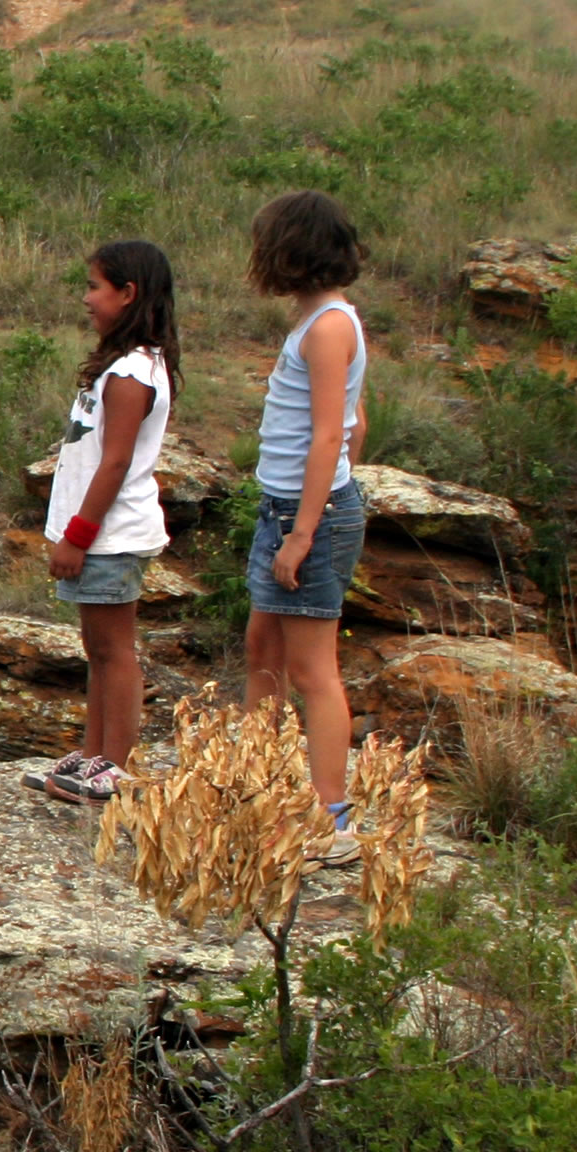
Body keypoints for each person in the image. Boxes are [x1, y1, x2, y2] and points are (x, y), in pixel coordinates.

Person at [240, 189, 370, 857]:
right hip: (285, 506)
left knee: (314, 670)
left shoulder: (327, 327)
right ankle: (260, 784)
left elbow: (329, 437)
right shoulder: (323, 320)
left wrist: (304, 533)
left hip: (303, 515)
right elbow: (357, 422)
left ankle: (331, 819)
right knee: (263, 648)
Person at [32, 240, 179, 804]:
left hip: (111, 536)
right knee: (97, 647)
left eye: (95, 286)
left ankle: (115, 765)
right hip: (102, 534)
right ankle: (93, 755)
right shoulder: (121, 366)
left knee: (115, 650)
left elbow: (116, 460)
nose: (87, 298)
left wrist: (79, 535)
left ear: (128, 293)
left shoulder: (132, 373)